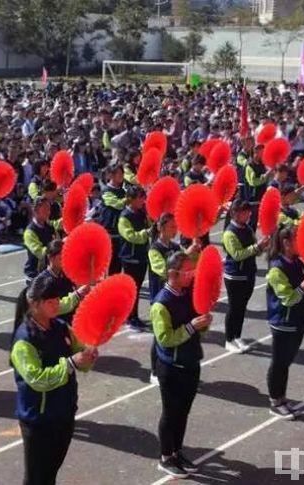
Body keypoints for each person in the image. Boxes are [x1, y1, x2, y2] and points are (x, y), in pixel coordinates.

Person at [11, 274, 98, 485]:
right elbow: (37, 379)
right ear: (34, 303)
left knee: (51, 472)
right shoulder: (24, 340)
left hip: (64, 412)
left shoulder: (61, 327)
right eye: (50, 302)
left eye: (57, 300)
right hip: (38, 420)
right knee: (36, 478)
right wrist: (70, 364)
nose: (55, 305)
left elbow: (80, 357)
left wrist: (89, 355)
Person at [150, 252, 211, 478]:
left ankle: (177, 451)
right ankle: (165, 457)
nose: (191, 275)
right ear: (173, 274)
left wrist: (204, 323)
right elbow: (165, 338)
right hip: (171, 367)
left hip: (191, 361)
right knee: (171, 413)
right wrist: (192, 327)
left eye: (192, 271)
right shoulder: (160, 304)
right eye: (187, 272)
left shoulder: (188, 293)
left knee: (183, 412)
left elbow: (198, 324)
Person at [265, 225, 304, 419]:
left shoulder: (298, 262)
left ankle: (282, 398)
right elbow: (288, 298)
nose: (303, 242)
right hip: (282, 322)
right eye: (298, 238)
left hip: (298, 319)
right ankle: (275, 401)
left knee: (287, 362)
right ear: (286, 243)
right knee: (279, 363)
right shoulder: (276, 269)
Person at [222, 199, 269, 353]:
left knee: (242, 308)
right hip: (235, 276)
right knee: (234, 308)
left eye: (248, 211)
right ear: (234, 213)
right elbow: (237, 255)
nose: (248, 214)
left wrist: (262, 247)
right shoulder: (229, 233)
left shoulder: (247, 228)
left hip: (248, 273)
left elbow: (255, 249)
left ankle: (237, 336)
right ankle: (229, 339)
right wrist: (257, 247)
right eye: (244, 211)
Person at [118, 185, 150, 331]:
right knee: (131, 289)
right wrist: (146, 233)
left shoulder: (142, 212)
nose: (143, 200)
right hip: (130, 258)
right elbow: (130, 236)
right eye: (140, 197)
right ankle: (129, 317)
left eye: (143, 197)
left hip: (142, 255)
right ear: (131, 200)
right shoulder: (124, 217)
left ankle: (134, 316)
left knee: (136, 288)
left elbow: (149, 225)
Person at [36, 240, 89, 321]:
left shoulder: (65, 274)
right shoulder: (45, 281)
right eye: (61, 258)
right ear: (50, 257)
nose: (64, 260)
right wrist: (77, 295)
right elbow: (55, 308)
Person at [99, 164, 126, 275]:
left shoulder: (123, 191)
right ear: (111, 175)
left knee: (119, 263)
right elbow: (118, 205)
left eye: (122, 173)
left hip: (121, 231)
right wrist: (129, 199)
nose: (121, 176)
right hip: (110, 232)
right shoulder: (106, 191)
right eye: (118, 173)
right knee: (111, 263)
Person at [23, 196, 57, 284]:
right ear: (35, 211)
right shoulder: (29, 232)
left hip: (49, 271)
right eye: (45, 209)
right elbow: (40, 253)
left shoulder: (50, 227)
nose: (48, 212)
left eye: (49, 209)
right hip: (34, 274)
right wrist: (56, 247)